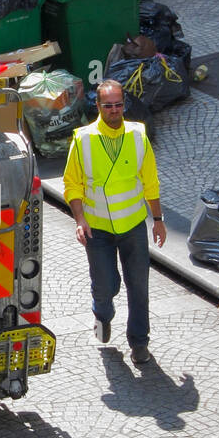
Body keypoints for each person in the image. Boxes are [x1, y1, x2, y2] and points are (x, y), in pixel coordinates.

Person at [63, 80, 166, 366]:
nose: (114, 110)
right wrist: (80, 220)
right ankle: (103, 314)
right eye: (108, 105)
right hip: (98, 230)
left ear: (124, 104)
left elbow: (150, 181)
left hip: (133, 226)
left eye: (118, 104)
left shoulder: (137, 135)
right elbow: (72, 184)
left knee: (139, 287)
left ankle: (140, 342)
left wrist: (157, 220)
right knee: (106, 286)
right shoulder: (83, 140)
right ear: (98, 106)